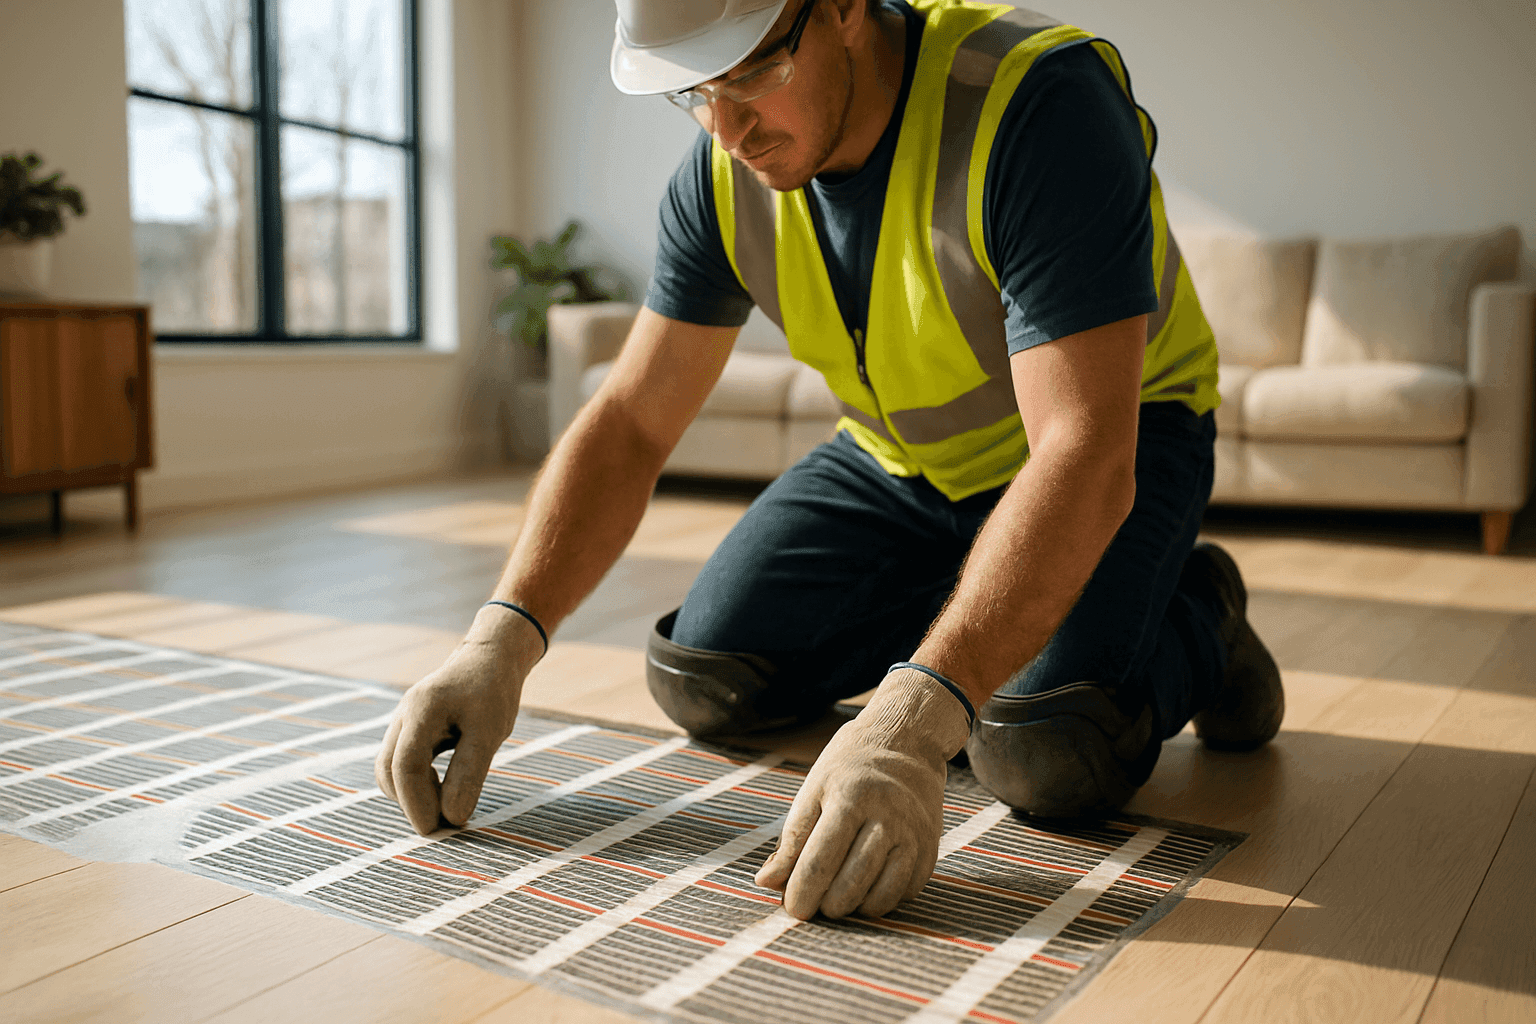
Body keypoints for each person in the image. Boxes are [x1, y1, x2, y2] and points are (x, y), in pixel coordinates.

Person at [376, 0, 1283, 925]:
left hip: (1115, 439)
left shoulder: (1036, 104)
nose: (727, 132)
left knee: (1041, 749)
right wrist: (500, 641)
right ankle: (982, 617)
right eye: (693, 92)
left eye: (751, 72)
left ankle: (1199, 611)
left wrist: (915, 722)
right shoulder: (724, 174)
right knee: (705, 673)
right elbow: (631, 423)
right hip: (901, 464)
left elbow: (1082, 447)